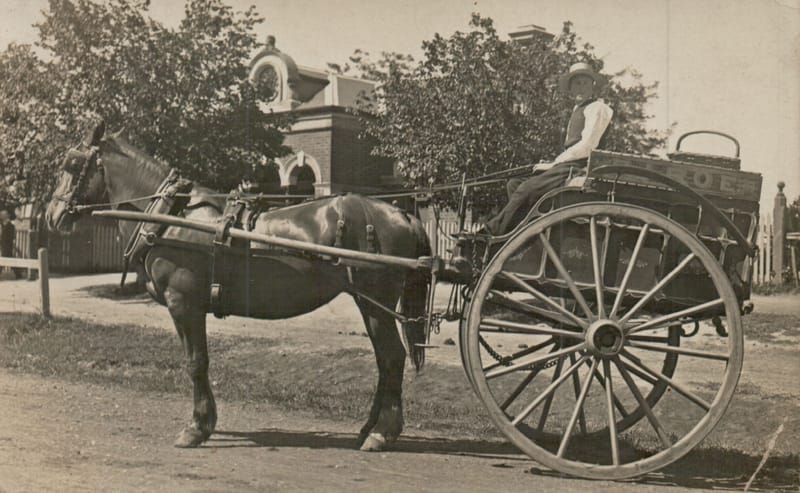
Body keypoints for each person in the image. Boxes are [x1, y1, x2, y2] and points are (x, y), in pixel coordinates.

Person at [483, 62, 614, 235]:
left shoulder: (597, 108)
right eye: (576, 83)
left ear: (593, 86)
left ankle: (492, 231)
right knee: (514, 184)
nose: (580, 87)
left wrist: (554, 163)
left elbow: (588, 145)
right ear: (570, 89)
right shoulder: (578, 109)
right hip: (568, 164)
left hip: (581, 166)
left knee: (527, 188)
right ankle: (524, 232)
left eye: (585, 83)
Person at [0, 209, 23, 279]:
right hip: (4, 244)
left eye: (2, 215)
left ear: (6, 216)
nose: (1, 216)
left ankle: (18, 273)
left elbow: (12, 236)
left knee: (4, 259)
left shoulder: (10, 225)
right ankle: (18, 274)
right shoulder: (3, 225)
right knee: (8, 259)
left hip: (7, 244)